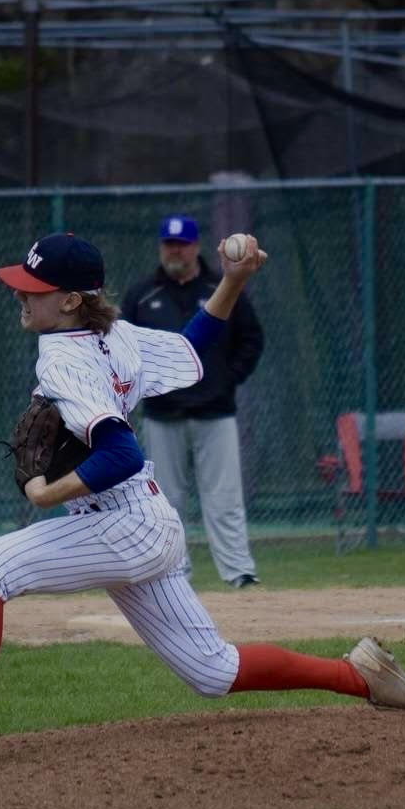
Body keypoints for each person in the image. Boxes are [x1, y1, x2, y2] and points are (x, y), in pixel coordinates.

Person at [0, 231, 405, 773]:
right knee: (213, 671)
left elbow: (119, 454)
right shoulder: (114, 334)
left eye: (34, 287)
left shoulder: (62, 360)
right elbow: (194, 343)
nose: (21, 295)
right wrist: (237, 278)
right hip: (144, 522)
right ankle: (362, 676)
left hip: (121, 522)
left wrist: (48, 492)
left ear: (71, 300)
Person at [121, 215, 263, 588]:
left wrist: (226, 381)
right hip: (162, 414)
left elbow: (251, 339)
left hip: (215, 411)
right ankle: (174, 571)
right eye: (169, 243)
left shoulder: (222, 286)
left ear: (196, 246)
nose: (175, 250)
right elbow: (125, 350)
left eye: (182, 243)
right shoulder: (142, 294)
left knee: (225, 497)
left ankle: (239, 573)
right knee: (165, 500)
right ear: (160, 247)